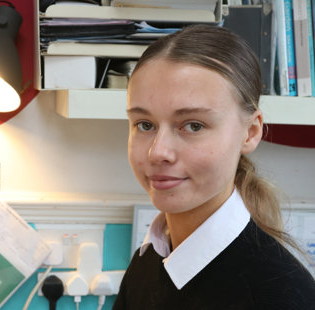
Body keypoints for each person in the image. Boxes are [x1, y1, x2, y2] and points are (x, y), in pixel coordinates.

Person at [113, 24, 315, 309]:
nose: (158, 152)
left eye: (193, 125)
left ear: (251, 132)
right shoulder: (148, 259)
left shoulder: (279, 297)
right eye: (144, 125)